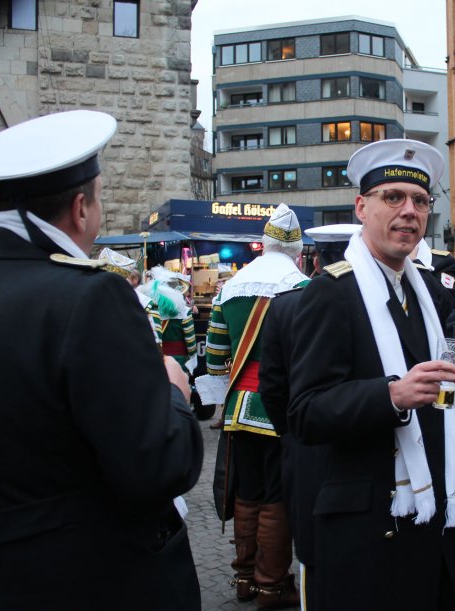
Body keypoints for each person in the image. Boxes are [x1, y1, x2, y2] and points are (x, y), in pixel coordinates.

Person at [0, 110, 203, 609]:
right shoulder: (90, 297)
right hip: (89, 584)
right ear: (79, 208)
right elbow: (160, 467)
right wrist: (173, 394)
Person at [287, 139, 455, 611]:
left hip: (432, 514)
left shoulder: (427, 290)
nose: (409, 211)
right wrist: (390, 396)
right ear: (361, 207)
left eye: (420, 201)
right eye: (393, 197)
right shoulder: (331, 293)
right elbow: (305, 413)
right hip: (369, 525)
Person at [204, 204, 306, 609]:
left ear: (262, 245)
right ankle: (271, 585)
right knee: (276, 495)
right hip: (282, 407)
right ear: (298, 251)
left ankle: (245, 578)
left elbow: (215, 359)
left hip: (238, 408)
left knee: (247, 493)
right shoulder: (303, 288)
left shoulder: (230, 287)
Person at [258, 223, 359, 611]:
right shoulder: (369, 303)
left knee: (313, 553)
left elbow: (272, 385)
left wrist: (290, 433)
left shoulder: (284, 305)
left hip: (303, 445)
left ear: (314, 261)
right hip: (358, 442)